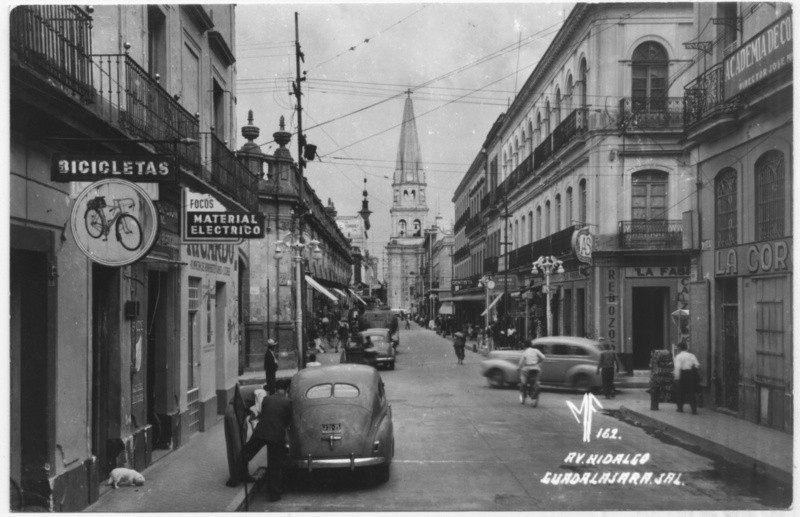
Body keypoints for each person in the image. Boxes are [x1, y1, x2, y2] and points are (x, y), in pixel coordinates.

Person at [241, 388, 292, 502]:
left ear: (275, 391)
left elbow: (264, 414)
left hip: (261, 432)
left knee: (246, 453)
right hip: (276, 436)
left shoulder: (267, 399)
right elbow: (288, 421)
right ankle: (274, 495)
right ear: (286, 391)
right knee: (274, 466)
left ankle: (235, 478)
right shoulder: (288, 402)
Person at [673, 341, 700, 414]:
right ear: (686, 348)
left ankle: (680, 408)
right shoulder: (691, 355)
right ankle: (694, 409)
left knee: (681, 392)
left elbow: (677, 368)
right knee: (691, 392)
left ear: (679, 348)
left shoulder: (678, 357)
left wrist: (677, 378)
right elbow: (697, 365)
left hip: (682, 374)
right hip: (690, 374)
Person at [517, 339, 546, 406]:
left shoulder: (525, 352)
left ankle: (524, 392)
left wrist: (519, 368)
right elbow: (543, 357)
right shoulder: (535, 350)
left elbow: (521, 362)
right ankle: (535, 391)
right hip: (536, 368)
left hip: (527, 368)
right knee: (536, 380)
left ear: (524, 345)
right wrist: (538, 362)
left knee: (523, 380)